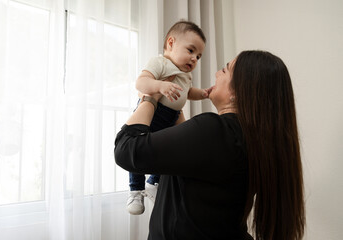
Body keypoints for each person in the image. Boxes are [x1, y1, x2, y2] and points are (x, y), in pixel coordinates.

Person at [115, 50, 305, 240]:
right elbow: (193, 155)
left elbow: (126, 149)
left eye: (225, 70)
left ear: (239, 92)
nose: (216, 73)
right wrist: (174, 107)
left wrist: (149, 97)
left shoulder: (214, 130)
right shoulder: (253, 140)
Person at [127, 20, 212, 215]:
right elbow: (141, 83)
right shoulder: (160, 63)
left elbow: (188, 92)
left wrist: (203, 94)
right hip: (153, 115)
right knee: (138, 151)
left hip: (171, 119)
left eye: (198, 56)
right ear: (171, 43)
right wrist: (159, 86)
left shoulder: (184, 75)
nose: (194, 59)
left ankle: (153, 182)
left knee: (168, 153)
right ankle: (136, 190)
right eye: (191, 51)